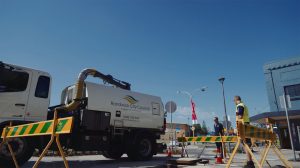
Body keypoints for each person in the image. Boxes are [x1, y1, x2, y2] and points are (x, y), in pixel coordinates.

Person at [234, 96, 254, 168]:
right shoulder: (244, 105)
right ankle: (250, 162)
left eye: (234, 102)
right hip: (247, 125)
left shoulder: (239, 105)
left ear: (236, 100)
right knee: (247, 144)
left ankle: (250, 163)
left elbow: (240, 116)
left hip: (243, 125)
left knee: (245, 144)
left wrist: (237, 128)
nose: (234, 103)